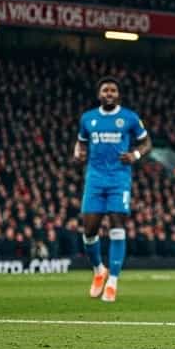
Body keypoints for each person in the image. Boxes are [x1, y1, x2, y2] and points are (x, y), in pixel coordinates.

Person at [73, 77, 152, 303]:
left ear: (118, 95)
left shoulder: (129, 118)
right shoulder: (88, 119)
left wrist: (135, 155)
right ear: (99, 95)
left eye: (113, 90)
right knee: (89, 229)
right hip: (95, 179)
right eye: (105, 90)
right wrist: (77, 152)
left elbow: (147, 143)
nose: (109, 93)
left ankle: (113, 282)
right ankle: (99, 270)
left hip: (119, 178)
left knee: (117, 223)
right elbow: (81, 142)